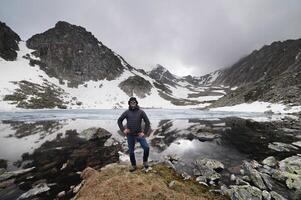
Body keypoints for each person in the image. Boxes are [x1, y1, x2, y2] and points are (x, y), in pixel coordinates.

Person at [117, 97, 150, 172]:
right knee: (131, 151)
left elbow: (147, 122)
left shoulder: (141, 112)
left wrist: (144, 132)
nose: (133, 104)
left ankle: (145, 162)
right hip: (130, 135)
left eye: (134, 102)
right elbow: (119, 120)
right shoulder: (127, 112)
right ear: (129, 103)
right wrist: (123, 130)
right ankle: (133, 165)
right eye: (131, 102)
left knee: (146, 147)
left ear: (136, 103)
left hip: (139, 134)